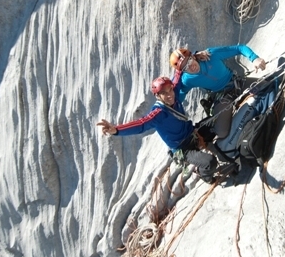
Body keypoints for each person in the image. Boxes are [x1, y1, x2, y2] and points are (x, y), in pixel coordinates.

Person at [97, 75, 237, 184]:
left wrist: (187, 57)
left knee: (215, 120)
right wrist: (116, 130)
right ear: (157, 96)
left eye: (170, 90)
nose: (170, 94)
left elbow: (178, 77)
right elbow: (141, 124)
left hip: (193, 133)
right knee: (210, 162)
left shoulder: (173, 94)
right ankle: (205, 175)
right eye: (164, 93)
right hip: (184, 149)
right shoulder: (158, 114)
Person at [169, 45, 267, 138]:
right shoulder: (187, 80)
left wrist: (254, 58)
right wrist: (169, 106)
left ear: (193, 57)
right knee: (222, 132)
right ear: (183, 71)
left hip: (236, 83)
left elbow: (239, 48)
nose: (191, 66)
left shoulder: (211, 55)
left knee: (266, 85)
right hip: (222, 97)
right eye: (186, 67)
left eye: (189, 60)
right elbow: (178, 96)